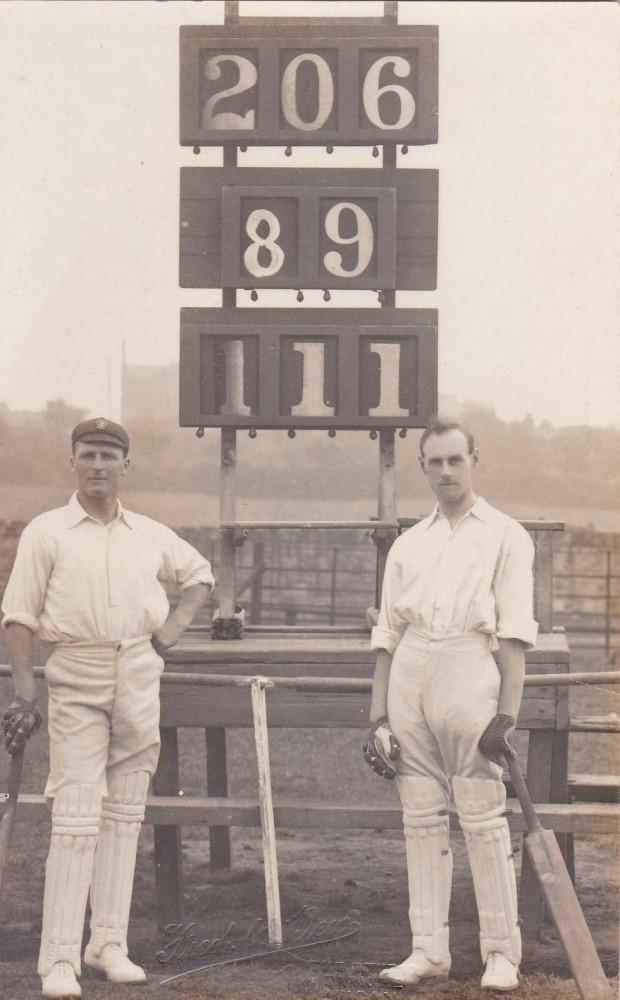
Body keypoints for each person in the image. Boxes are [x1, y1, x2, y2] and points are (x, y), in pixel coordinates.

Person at [1, 418, 214, 999]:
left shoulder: (148, 532)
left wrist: (172, 628)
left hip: (139, 670)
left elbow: (200, 575)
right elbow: (18, 616)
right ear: (73, 461)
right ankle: (59, 957)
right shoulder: (48, 532)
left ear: (127, 465)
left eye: (109, 456)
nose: (98, 465)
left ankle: (107, 943)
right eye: (88, 454)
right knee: (74, 817)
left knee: (124, 814)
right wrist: (25, 692)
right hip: (77, 669)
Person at [364, 419, 537, 993]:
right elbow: (388, 633)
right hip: (411, 671)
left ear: (473, 459)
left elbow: (512, 633)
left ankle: (501, 953)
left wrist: (506, 714)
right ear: (423, 467)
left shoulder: (506, 535)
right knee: (419, 815)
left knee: (483, 817)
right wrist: (377, 716)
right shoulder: (411, 542)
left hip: (470, 665)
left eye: (454, 460)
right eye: (434, 462)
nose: (444, 472)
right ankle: (427, 950)